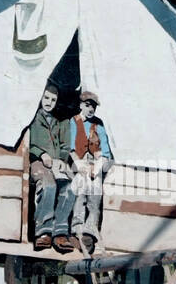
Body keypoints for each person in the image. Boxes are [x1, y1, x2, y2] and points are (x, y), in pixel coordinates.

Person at [26, 85, 76, 252]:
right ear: (41, 98)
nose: (49, 102)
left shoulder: (58, 121)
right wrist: (41, 154)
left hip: (55, 163)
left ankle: (60, 232)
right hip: (38, 162)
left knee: (69, 188)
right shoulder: (33, 118)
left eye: (53, 100)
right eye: (46, 98)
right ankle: (43, 232)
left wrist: (62, 159)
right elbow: (28, 143)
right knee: (48, 186)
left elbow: (64, 144)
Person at [66, 90, 113, 255]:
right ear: (81, 105)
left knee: (95, 194)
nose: (90, 109)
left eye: (93, 106)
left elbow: (105, 151)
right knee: (80, 191)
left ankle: (90, 231)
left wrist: (96, 168)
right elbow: (71, 148)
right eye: (87, 105)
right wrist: (80, 165)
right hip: (78, 163)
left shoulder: (98, 124)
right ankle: (77, 229)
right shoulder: (74, 121)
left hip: (95, 163)